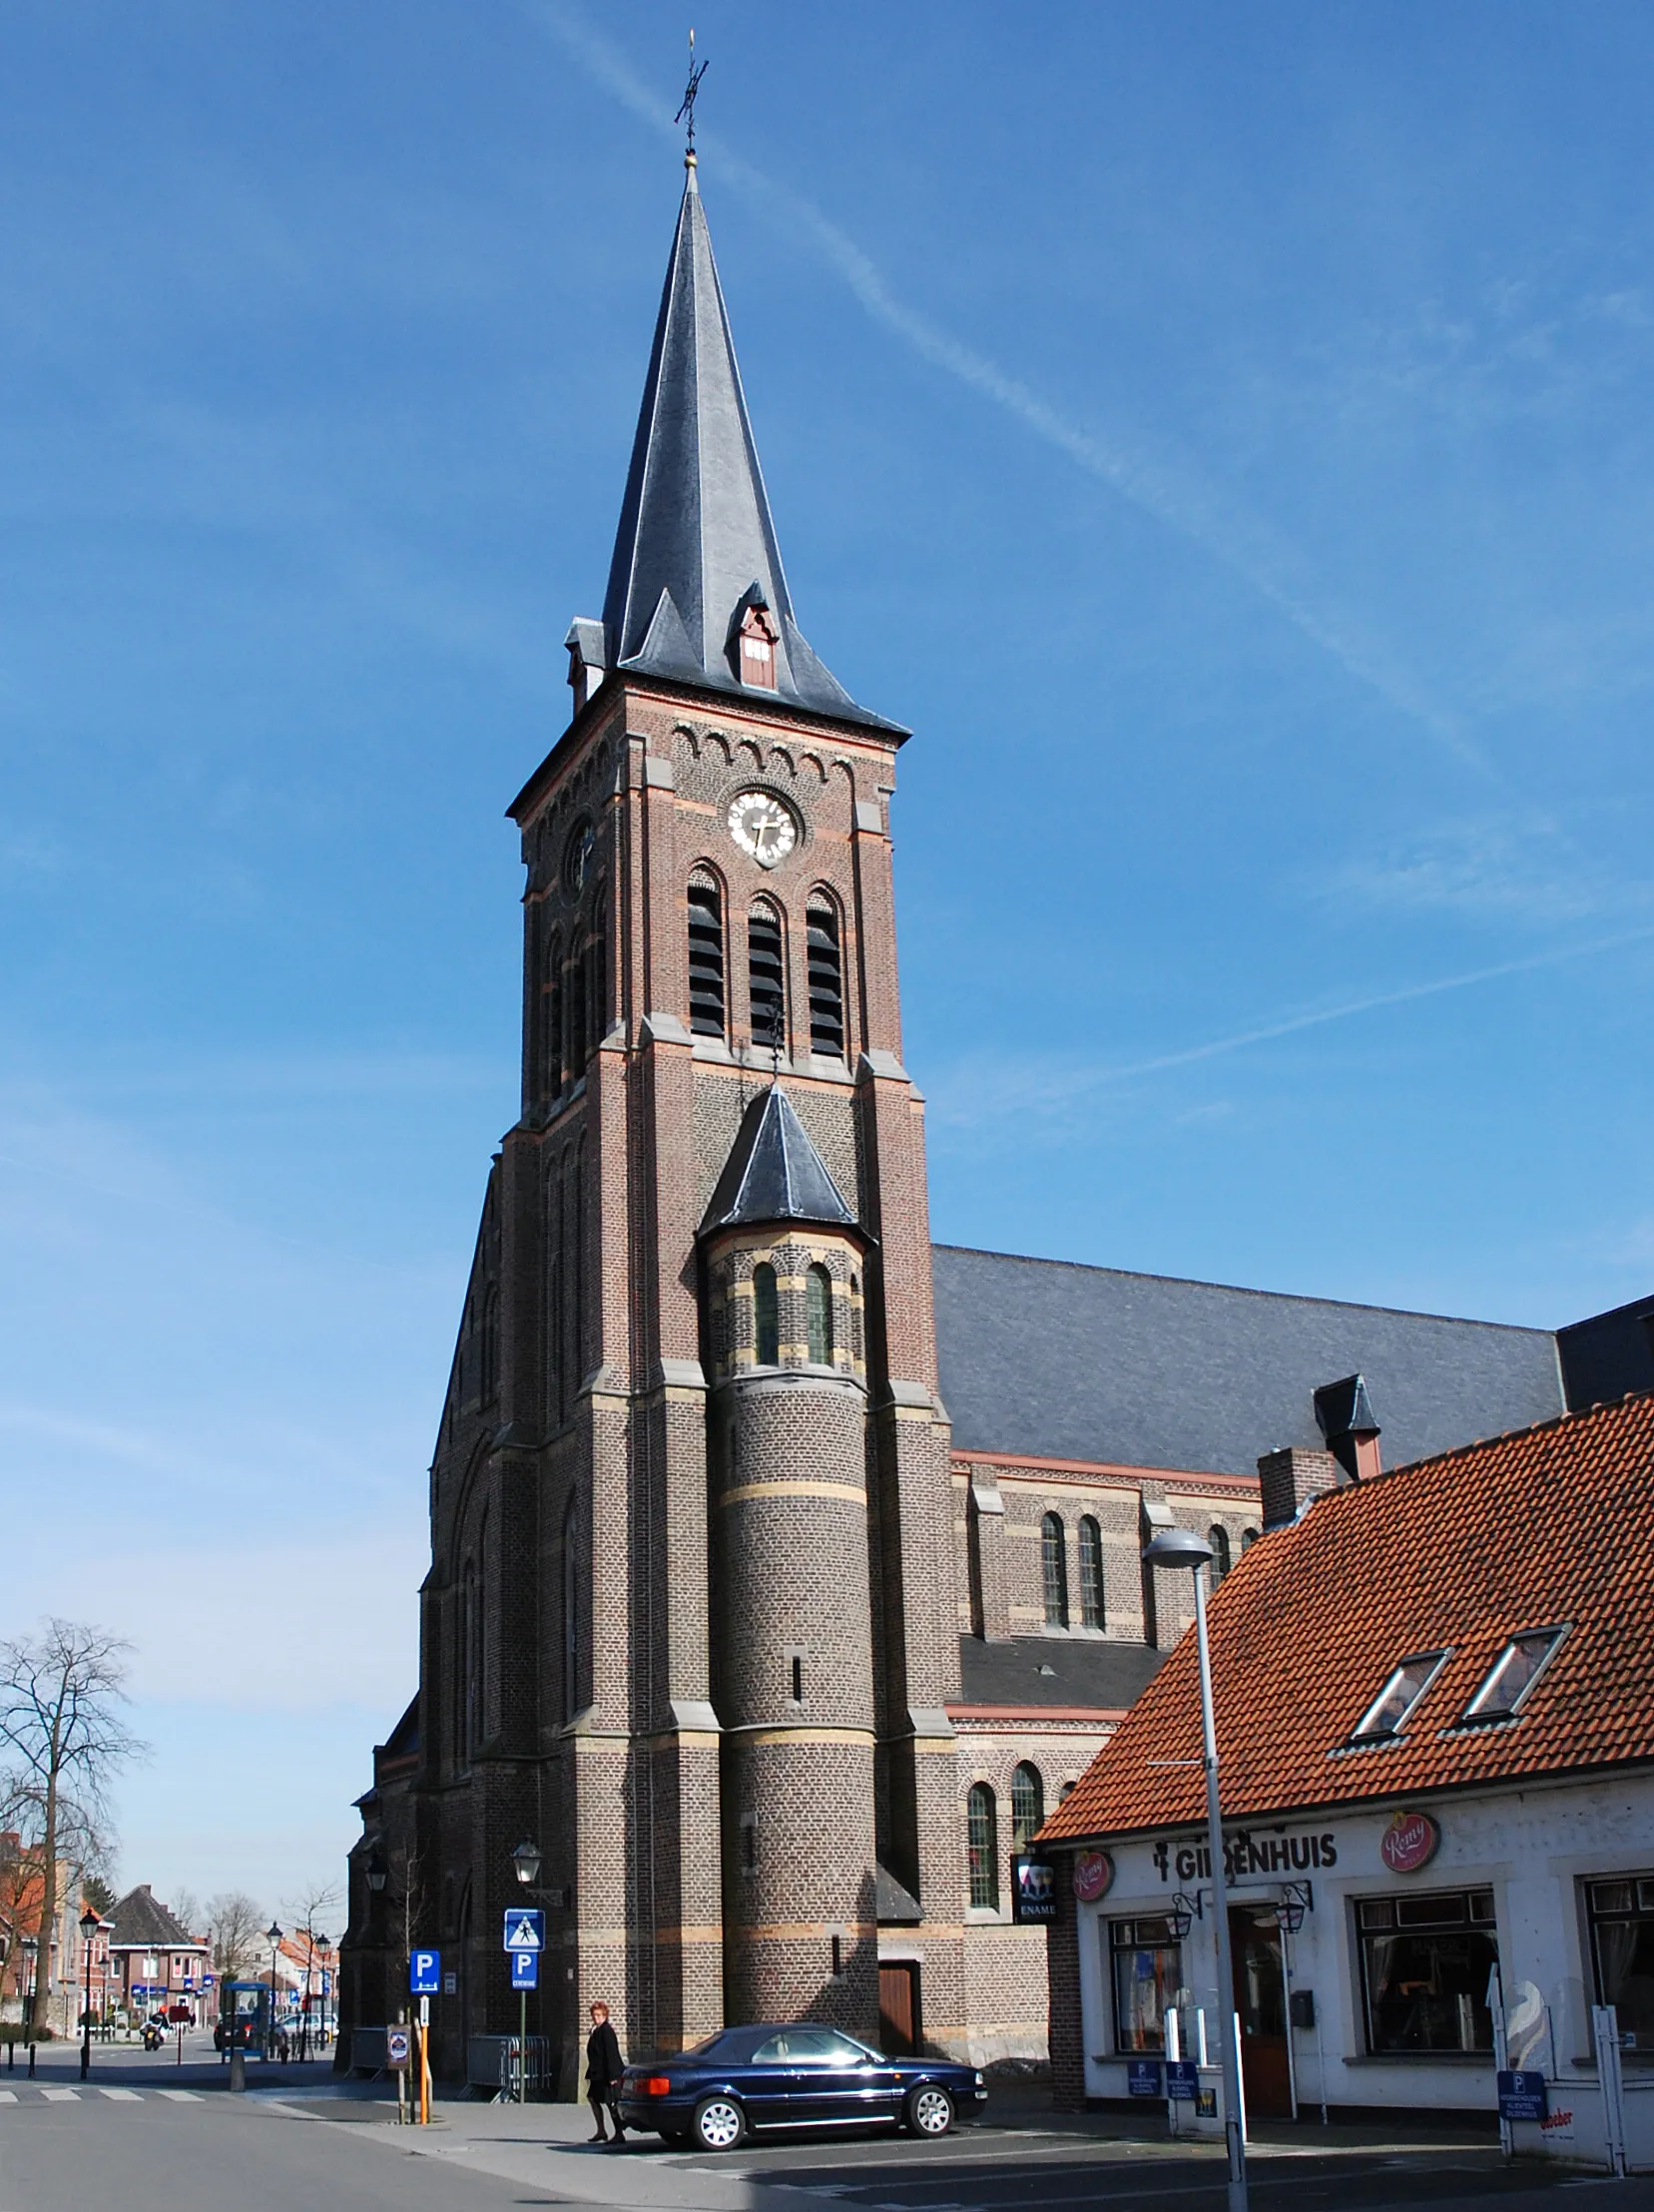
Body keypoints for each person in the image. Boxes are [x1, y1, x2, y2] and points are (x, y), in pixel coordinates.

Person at [584, 2001, 626, 2145]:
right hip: (598, 2074)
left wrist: (613, 2076)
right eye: (594, 2015)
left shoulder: (607, 2031)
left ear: (605, 2016)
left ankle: (619, 2133)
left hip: (607, 2074)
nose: (596, 2018)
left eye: (599, 2015)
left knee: (611, 2103)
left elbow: (611, 2053)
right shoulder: (597, 2030)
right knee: (592, 2098)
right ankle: (601, 2130)